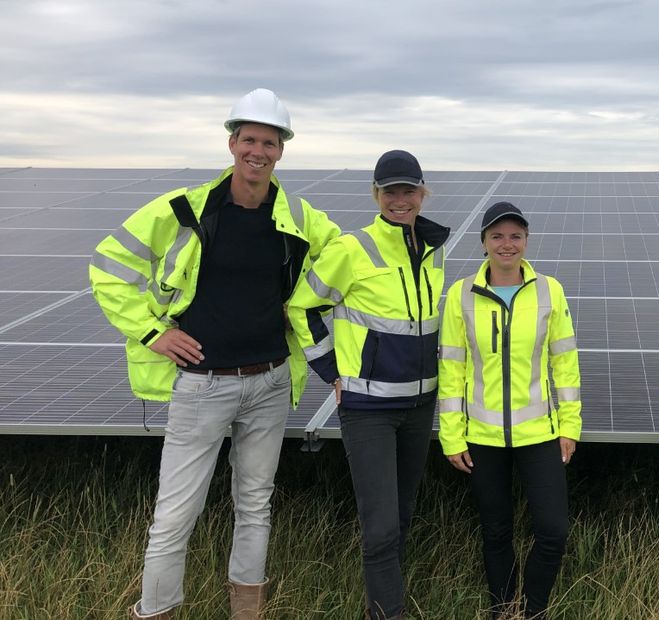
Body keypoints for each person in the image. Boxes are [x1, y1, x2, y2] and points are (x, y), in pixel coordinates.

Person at [89, 88, 340, 619]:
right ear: (232, 143)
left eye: (269, 142)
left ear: (281, 150)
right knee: (176, 514)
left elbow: (349, 260)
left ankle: (245, 613)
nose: (259, 151)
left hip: (271, 382)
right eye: (249, 139)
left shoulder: (297, 215)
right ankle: (156, 611)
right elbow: (109, 264)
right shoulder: (184, 209)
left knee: (255, 507)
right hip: (203, 385)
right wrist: (153, 333)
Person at [286, 150, 448, 619]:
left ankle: (386, 601)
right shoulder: (351, 248)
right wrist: (330, 371)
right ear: (377, 196)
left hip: (420, 406)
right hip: (368, 409)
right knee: (379, 528)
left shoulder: (433, 251)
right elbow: (300, 307)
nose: (400, 200)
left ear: (422, 193)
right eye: (390, 191)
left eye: (409, 190)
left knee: (401, 516)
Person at [437, 201, 582, 619]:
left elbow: (565, 364)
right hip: (481, 437)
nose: (507, 243)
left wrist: (569, 426)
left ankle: (533, 609)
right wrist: (451, 434)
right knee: (496, 532)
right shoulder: (460, 295)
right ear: (483, 242)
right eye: (497, 236)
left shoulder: (549, 290)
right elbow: (451, 368)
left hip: (539, 433)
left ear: (526, 241)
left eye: (515, 235)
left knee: (553, 531)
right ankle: (504, 609)